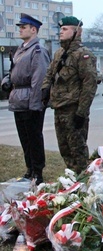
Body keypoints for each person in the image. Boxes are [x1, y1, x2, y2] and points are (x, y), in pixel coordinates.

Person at [41, 16, 97, 174]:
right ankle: (71, 180)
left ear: (77, 31)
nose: (61, 32)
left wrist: (82, 112)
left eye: (65, 29)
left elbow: (89, 85)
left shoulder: (83, 55)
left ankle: (82, 182)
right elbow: (49, 74)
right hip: (59, 109)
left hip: (73, 110)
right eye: (60, 29)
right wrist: (45, 89)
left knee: (78, 151)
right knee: (64, 149)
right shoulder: (59, 53)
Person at [0, 14, 50, 185]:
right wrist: (6, 82)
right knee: (24, 139)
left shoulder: (38, 51)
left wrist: (36, 103)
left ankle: (38, 172)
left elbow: (39, 79)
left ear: (33, 30)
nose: (20, 29)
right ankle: (30, 170)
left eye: (24, 27)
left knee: (34, 138)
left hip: (30, 100)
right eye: (20, 27)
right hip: (19, 100)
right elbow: (13, 73)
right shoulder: (21, 49)